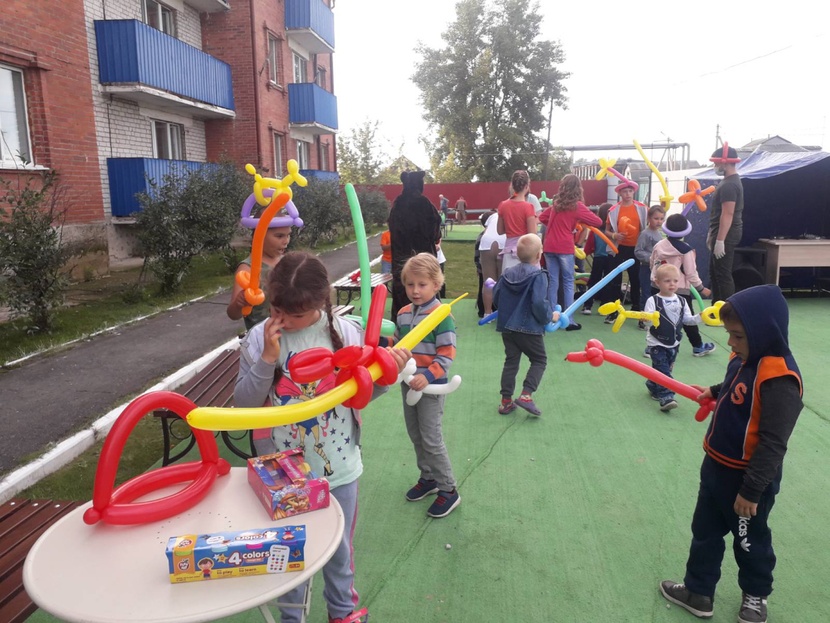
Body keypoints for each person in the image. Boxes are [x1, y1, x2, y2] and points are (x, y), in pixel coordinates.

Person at [234, 251, 412, 623]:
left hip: (339, 468)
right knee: (289, 556)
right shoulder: (258, 339)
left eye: (295, 315)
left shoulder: (346, 333)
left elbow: (361, 394)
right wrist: (268, 359)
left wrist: (386, 375)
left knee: (339, 551)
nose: (284, 320)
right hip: (283, 475)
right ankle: (291, 618)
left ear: (320, 303)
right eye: (277, 310)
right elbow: (244, 406)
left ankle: (342, 613)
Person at [659, 284, 803, 623]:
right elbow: (736, 382)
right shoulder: (744, 357)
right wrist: (713, 390)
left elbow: (773, 442)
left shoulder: (780, 378)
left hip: (747, 480)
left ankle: (755, 595)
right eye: (729, 334)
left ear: (765, 332)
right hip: (715, 467)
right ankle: (698, 591)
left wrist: (751, 491)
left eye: (737, 336)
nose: (731, 343)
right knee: (704, 532)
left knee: (750, 540)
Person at [395, 253, 460, 518]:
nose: (415, 290)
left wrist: (429, 376)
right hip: (408, 384)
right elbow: (397, 346)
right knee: (416, 434)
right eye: (410, 284)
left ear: (436, 284)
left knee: (431, 439)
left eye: (422, 284)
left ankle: (449, 489)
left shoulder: (441, 315)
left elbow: (447, 352)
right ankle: (428, 477)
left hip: (431, 388)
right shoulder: (403, 314)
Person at [493, 234, 560, 417]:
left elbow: (497, 297)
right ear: (539, 255)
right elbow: (538, 303)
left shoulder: (507, 273)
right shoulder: (539, 275)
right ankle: (526, 395)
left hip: (508, 327)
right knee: (539, 359)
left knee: (511, 362)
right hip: (529, 328)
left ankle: (506, 401)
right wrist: (550, 317)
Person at [538, 174, 602, 330]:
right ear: (578, 188)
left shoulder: (556, 205)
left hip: (549, 246)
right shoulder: (577, 206)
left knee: (553, 281)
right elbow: (598, 221)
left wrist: (560, 225)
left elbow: (542, 217)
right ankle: (569, 319)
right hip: (564, 247)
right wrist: (575, 223)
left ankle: (551, 317)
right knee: (568, 281)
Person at [651, 213, 716, 357]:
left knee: (658, 318)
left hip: (657, 287)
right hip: (678, 290)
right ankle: (698, 346)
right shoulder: (686, 250)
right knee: (687, 319)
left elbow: (652, 263)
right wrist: (701, 288)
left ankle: (652, 347)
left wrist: (657, 280)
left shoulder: (659, 245)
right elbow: (691, 273)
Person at [642, 264, 704, 412]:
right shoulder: (653, 301)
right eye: (667, 281)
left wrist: (700, 317)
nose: (672, 284)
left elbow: (687, 320)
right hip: (657, 343)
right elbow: (648, 321)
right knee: (664, 371)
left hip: (674, 342)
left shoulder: (682, 301)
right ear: (657, 282)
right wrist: (647, 319)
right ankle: (666, 397)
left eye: (675, 281)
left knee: (664, 368)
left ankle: (652, 384)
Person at [388, 170, 442, 320]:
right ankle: (432, 324)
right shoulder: (425, 204)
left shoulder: (397, 205)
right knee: (427, 290)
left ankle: (400, 324)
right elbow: (435, 233)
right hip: (425, 259)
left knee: (403, 292)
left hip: (401, 261)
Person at [227, 224, 291, 331]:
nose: (286, 241)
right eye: (279, 236)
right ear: (259, 236)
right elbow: (233, 315)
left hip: (290, 333)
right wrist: (239, 303)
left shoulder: (287, 261)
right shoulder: (247, 269)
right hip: (262, 337)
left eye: (288, 235)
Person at [708, 143, 744, 303]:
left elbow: (728, 213)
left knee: (723, 274)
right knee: (715, 272)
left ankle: (727, 310)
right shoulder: (729, 181)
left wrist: (720, 240)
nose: (714, 166)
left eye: (716, 163)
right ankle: (716, 308)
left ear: (725, 162)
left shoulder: (729, 185)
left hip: (726, 234)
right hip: (721, 232)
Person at [606, 179, 647, 313]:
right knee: (616, 279)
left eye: (630, 191)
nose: (628, 194)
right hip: (618, 248)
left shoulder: (642, 208)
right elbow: (606, 230)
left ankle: (636, 307)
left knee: (635, 278)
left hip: (636, 248)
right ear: (620, 193)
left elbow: (653, 220)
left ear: (634, 192)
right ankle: (614, 309)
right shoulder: (613, 210)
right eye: (625, 192)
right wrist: (614, 235)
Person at [497, 170, 538, 272]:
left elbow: (500, 231)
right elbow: (532, 233)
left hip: (509, 251)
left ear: (512, 185)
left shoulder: (503, 205)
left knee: (509, 279)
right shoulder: (528, 207)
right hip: (526, 251)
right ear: (526, 186)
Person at [634, 205, 666, 328]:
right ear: (649, 218)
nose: (659, 221)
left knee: (655, 294)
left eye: (661, 219)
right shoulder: (645, 234)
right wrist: (652, 259)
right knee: (646, 294)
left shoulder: (659, 233)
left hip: (656, 270)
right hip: (646, 269)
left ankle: (654, 317)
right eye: (656, 218)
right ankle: (643, 319)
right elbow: (638, 251)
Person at [581, 203, 615, 315]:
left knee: (593, 281)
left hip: (598, 258)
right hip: (610, 258)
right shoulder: (614, 231)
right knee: (608, 282)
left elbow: (588, 247)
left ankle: (587, 305)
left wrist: (584, 253)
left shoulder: (595, 230)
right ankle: (603, 306)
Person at [478, 209, 504, 317]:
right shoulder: (505, 213)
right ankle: (503, 312)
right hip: (504, 240)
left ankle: (487, 313)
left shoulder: (491, 218)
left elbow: (485, 232)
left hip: (487, 243)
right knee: (503, 281)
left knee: (488, 281)